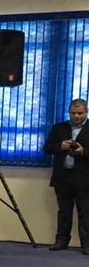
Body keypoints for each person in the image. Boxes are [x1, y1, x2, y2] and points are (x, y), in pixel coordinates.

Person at [44, 98, 89, 254]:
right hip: (63, 177)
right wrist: (60, 146)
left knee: (85, 211)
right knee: (64, 211)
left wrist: (83, 151)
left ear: (86, 112)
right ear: (69, 112)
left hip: (84, 178)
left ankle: (87, 244)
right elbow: (47, 148)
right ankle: (61, 240)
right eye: (73, 113)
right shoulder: (59, 128)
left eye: (80, 113)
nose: (76, 116)